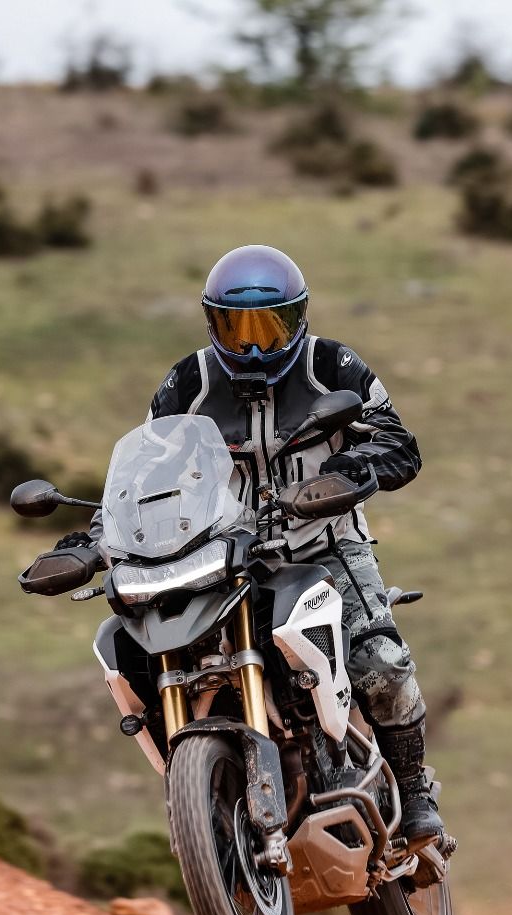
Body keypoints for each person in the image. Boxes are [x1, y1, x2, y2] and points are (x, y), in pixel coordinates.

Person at [68, 244, 446, 848]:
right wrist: (93, 541)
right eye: (234, 329)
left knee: (379, 661)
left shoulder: (333, 366)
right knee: (143, 647)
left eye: (268, 328)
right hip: (219, 557)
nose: (251, 347)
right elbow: (145, 476)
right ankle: (212, 801)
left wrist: (348, 472)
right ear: (211, 324)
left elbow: (399, 444)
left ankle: (414, 788)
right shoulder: (189, 383)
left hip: (324, 545)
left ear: (298, 319)